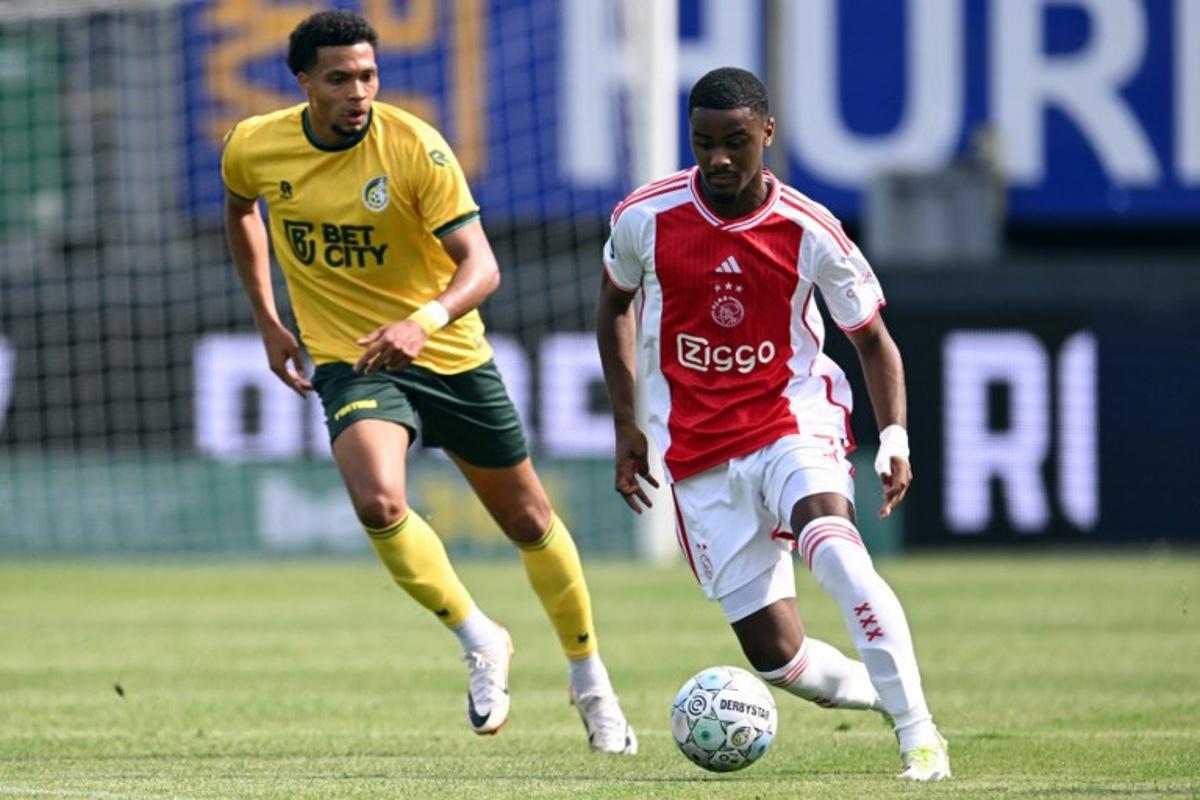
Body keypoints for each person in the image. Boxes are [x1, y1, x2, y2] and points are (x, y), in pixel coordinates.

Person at [221, 9, 635, 754]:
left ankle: (590, 679)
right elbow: (239, 207)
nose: (358, 92)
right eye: (340, 79)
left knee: (529, 521)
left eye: (369, 76)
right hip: (350, 357)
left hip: (447, 355)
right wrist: (267, 318)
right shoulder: (255, 144)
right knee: (378, 502)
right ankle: (479, 636)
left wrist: (424, 321)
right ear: (304, 82)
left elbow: (483, 266)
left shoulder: (415, 148)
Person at [595, 67, 949, 780]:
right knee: (777, 659)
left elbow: (873, 341)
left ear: (768, 133)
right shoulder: (645, 217)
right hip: (697, 451)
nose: (719, 159)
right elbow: (613, 307)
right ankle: (885, 693)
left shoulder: (810, 229)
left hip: (791, 421)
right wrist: (627, 425)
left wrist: (895, 436)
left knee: (837, 552)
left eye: (736, 142)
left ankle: (920, 736)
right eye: (703, 143)